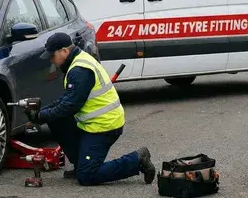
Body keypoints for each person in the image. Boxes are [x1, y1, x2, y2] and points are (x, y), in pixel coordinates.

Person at [25, 32, 156, 186]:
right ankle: (81, 164)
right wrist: (40, 114)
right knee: (56, 119)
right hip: (91, 124)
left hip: (105, 126)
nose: (51, 60)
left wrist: (40, 117)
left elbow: (69, 106)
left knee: (87, 176)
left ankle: (137, 160)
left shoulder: (80, 70)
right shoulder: (77, 62)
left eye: (53, 56)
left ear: (64, 51)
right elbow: (65, 100)